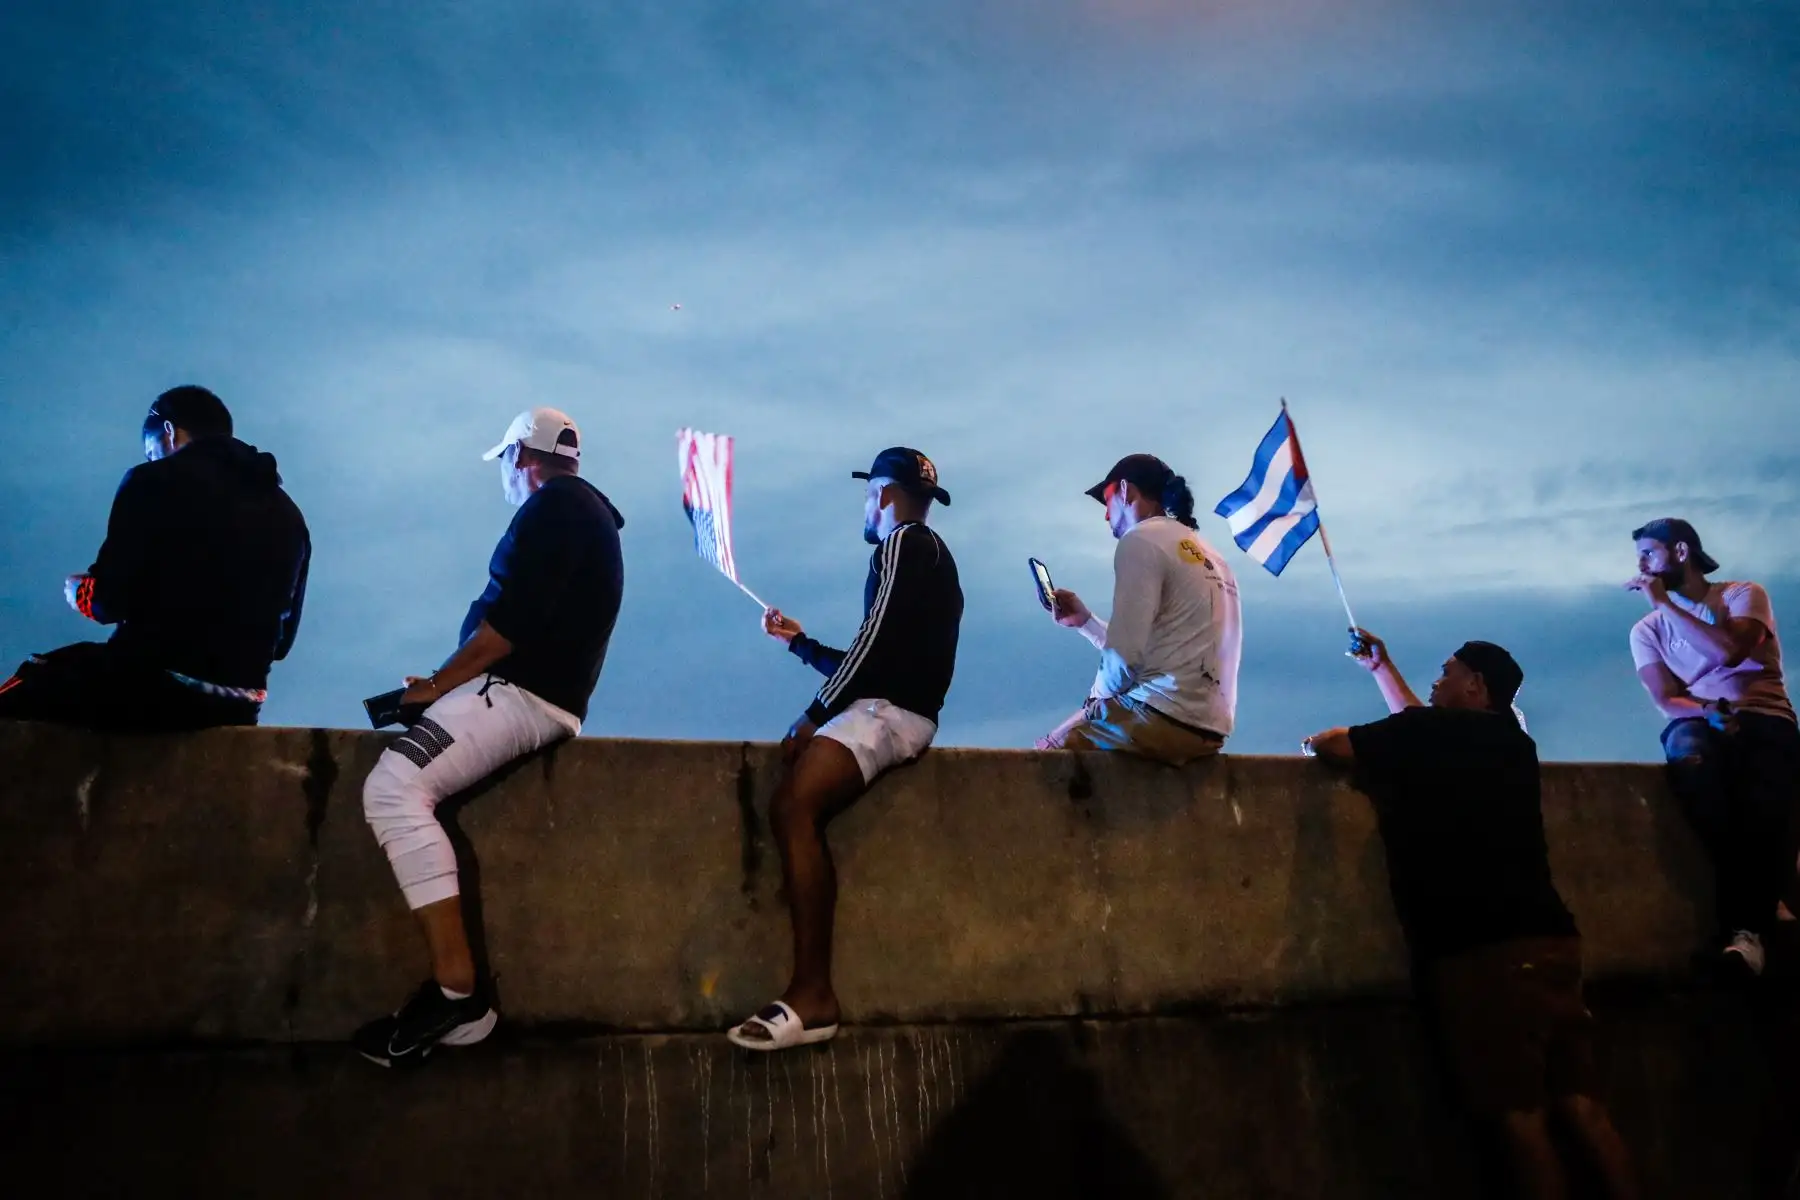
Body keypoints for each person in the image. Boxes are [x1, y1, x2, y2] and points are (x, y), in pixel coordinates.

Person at [1303, 633, 1638, 1200]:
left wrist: (1311, 743)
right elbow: (1421, 726)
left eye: (1445, 672)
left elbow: (1338, 744)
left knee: (1519, 1119)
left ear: (1474, 685)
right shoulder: (1516, 742)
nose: (1436, 682)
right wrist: (1382, 669)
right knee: (1586, 1110)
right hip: (1553, 941)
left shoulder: (1428, 733)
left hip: (1483, 953)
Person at [353, 407, 624, 1068]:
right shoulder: (586, 511)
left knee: (392, 790)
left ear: (521, 457)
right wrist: (445, 683)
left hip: (519, 694)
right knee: (403, 782)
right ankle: (456, 998)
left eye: (505, 460)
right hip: (541, 697)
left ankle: (458, 995)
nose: (503, 474)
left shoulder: (553, 508)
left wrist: (435, 685)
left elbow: (510, 625)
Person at [728, 447, 962, 1052]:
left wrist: (811, 716)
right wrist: (800, 644)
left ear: (884, 494)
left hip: (887, 715)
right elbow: (874, 656)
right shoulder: (932, 555)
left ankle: (813, 996)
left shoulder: (901, 546)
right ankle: (812, 994)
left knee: (792, 808)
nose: (866, 506)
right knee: (796, 807)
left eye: (868, 494)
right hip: (896, 709)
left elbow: (873, 648)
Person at [0, 386, 310, 731]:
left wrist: (79, 592)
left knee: (35, 676)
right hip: (239, 705)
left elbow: (108, 601)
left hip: (154, 691)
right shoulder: (289, 514)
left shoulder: (154, 480)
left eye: (152, 453)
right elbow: (281, 643)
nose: (153, 459)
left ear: (168, 431)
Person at [1626, 517, 1799, 978]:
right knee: (1691, 758)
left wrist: (1666, 604)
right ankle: (1763, 905)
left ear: (1680, 553)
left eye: (1649, 553)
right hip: (1700, 720)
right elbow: (1666, 698)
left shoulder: (1742, 595)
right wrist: (1707, 711)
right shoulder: (1646, 631)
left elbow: (1730, 652)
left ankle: (1750, 928)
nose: (1641, 565)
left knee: (1762, 800)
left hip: (1764, 715)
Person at [1036, 453, 1241, 765]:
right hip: (1209, 729)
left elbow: (1124, 656)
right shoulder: (1211, 553)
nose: (1106, 516)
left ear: (1124, 491)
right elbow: (1154, 653)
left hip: (1161, 717)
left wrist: (1094, 703)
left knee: (1045, 758)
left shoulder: (1140, 540)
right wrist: (1085, 623)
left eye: (1106, 502)